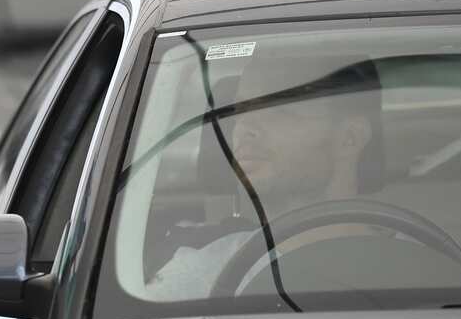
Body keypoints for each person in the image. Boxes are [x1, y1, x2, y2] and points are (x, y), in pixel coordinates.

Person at [148, 57, 384, 299]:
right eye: (240, 110)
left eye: (277, 109)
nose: (245, 127)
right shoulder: (200, 275)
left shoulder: (417, 261)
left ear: (350, 138)